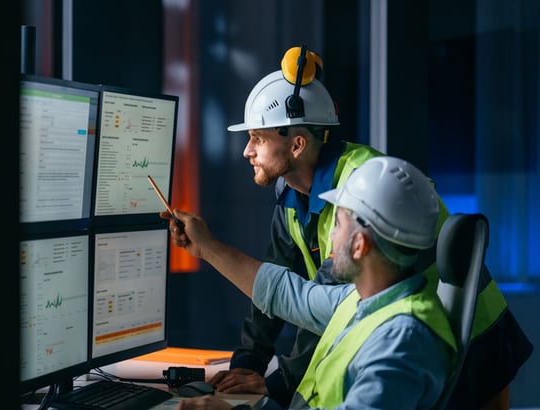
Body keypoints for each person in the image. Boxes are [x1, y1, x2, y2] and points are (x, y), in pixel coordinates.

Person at [212, 45, 532, 409]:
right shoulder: (292, 192)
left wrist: (277, 385)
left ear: (297, 143)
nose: (246, 151)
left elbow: (326, 310)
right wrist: (248, 364)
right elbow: (282, 285)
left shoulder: (363, 189)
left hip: (467, 334)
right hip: (405, 331)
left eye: (258, 138)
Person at [168, 156, 457, 410]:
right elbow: (286, 294)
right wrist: (206, 247)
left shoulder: (402, 341)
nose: (331, 237)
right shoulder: (362, 302)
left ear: (360, 246)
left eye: (339, 225)